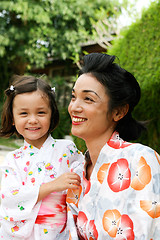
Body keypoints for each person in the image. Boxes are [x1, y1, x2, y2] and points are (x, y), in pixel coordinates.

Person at [68, 53, 160, 240]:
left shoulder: (141, 160)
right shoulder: (76, 169)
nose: (74, 107)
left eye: (88, 99)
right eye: (73, 97)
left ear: (118, 112)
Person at [0, 75, 83, 239]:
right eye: (23, 113)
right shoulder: (13, 159)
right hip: (26, 233)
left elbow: (83, 181)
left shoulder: (66, 149)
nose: (33, 120)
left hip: (59, 231)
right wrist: (52, 186)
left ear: (51, 114)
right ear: (13, 119)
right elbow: (10, 198)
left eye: (41, 112)